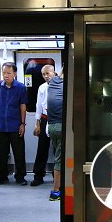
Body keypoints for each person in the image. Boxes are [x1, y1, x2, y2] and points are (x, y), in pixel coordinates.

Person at [0, 62, 27, 185]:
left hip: (15, 125)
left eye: (9, 73)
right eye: (4, 73)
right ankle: (2, 176)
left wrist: (22, 123)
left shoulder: (21, 87)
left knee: (19, 152)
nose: (6, 76)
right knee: (1, 153)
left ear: (15, 74)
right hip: (1, 125)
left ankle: (20, 176)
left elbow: (23, 106)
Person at [31, 63, 55, 186]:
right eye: (43, 74)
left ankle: (58, 176)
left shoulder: (61, 86)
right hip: (44, 118)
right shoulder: (42, 87)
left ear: (54, 73)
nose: (46, 76)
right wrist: (38, 124)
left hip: (57, 119)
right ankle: (38, 175)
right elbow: (38, 106)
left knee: (57, 149)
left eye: (48, 73)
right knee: (42, 148)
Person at [45, 69, 66, 202]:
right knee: (59, 159)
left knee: (59, 156)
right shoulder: (67, 85)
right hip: (61, 126)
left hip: (51, 125)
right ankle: (56, 191)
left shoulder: (52, 83)